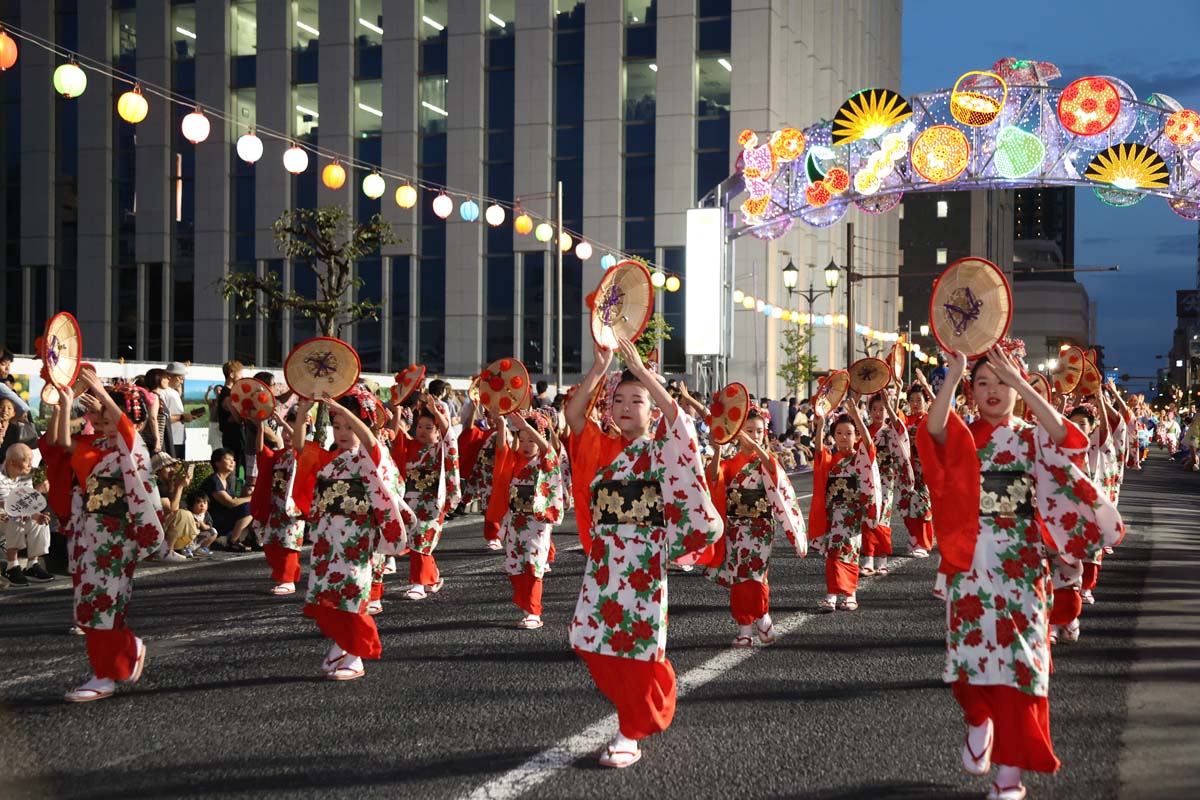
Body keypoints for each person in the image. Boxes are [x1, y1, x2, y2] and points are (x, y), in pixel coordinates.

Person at [919, 344, 1122, 800]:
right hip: (970, 562)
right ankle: (978, 719)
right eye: (982, 383)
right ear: (970, 392)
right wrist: (954, 374)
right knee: (968, 660)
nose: (992, 390)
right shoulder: (963, 434)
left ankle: (1009, 777)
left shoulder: (1032, 438)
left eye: (1001, 382)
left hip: (1022, 564)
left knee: (1023, 665)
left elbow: (1071, 440)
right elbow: (932, 431)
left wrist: (1022, 385)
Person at [565, 337, 722, 768]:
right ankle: (653, 693)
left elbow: (680, 425)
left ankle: (630, 732)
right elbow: (573, 416)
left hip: (643, 567)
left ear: (651, 411)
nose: (626, 406)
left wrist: (646, 376)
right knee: (588, 640)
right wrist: (601, 368)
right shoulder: (601, 447)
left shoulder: (660, 453)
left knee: (635, 647)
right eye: (619, 400)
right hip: (603, 565)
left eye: (637, 401)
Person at [41, 371, 165, 702]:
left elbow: (125, 429)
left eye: (109, 417)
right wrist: (65, 403)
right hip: (88, 533)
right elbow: (61, 444)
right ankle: (122, 655)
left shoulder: (132, 447)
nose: (104, 424)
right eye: (101, 418)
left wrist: (102, 392)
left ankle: (105, 675)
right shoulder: (97, 445)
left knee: (103, 603)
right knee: (88, 605)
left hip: (116, 536)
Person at [291, 386, 410, 681]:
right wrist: (304, 412)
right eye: (337, 426)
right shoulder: (331, 458)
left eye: (349, 426)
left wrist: (343, 410)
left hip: (358, 536)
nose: (343, 432)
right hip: (328, 536)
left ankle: (355, 655)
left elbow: (370, 440)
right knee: (326, 593)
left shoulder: (370, 455)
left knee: (353, 592)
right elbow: (300, 449)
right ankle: (341, 645)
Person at [706, 405, 806, 646]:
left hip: (760, 527)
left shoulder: (766, 461)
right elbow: (714, 478)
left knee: (756, 574)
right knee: (738, 576)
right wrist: (717, 450)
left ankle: (762, 615)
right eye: (749, 430)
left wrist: (759, 449)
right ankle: (744, 628)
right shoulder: (731, 463)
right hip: (735, 528)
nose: (754, 435)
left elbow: (774, 472)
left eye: (759, 431)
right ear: (738, 432)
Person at [485, 407, 564, 629]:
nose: (527, 445)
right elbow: (502, 449)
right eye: (522, 440)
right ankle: (526, 605)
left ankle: (533, 612)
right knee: (514, 565)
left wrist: (527, 427)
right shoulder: (514, 460)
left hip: (536, 521)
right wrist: (502, 424)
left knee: (533, 564)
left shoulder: (544, 461)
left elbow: (548, 450)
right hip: (516, 520)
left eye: (531, 440)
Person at [807, 395, 880, 612]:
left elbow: (869, 444)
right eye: (838, 433)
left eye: (848, 433)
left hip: (852, 513)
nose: (843, 438)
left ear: (855, 435)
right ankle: (831, 594)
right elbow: (818, 451)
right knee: (833, 554)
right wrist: (820, 425)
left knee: (850, 552)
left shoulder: (859, 457)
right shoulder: (832, 460)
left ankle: (850, 594)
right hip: (833, 513)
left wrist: (857, 417)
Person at [390, 390, 461, 600]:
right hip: (411, 500)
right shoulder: (410, 446)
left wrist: (437, 413)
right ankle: (432, 578)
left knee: (421, 540)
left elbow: (450, 437)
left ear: (438, 431)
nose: (422, 431)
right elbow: (395, 439)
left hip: (432, 502)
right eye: (419, 426)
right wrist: (396, 411)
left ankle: (418, 584)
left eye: (429, 427)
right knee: (416, 542)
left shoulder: (441, 449)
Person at [249, 409, 306, 595]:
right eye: (285, 431)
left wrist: (283, 423)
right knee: (271, 542)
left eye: (292, 430)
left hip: (293, 505)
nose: (287, 434)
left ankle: (288, 580)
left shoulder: (302, 452)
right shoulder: (279, 455)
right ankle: (285, 575)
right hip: (276, 504)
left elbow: (299, 443)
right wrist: (260, 428)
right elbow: (261, 452)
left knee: (289, 543)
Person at [862, 389, 912, 577]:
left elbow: (900, 430)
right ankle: (868, 559)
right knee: (868, 517)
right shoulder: (864, 430)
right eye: (874, 409)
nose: (877, 413)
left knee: (883, 517)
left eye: (881, 409)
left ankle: (881, 560)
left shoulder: (890, 430)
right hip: (867, 479)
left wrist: (891, 405)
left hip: (886, 479)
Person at [0, 443, 54, 585]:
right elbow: (9, 506)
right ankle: (12, 566)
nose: (31, 463)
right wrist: (38, 491)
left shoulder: (25, 475)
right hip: (4, 513)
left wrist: (38, 516)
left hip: (16, 510)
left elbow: (26, 504)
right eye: (26, 460)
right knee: (15, 519)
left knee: (40, 521)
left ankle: (32, 565)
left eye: (31, 459)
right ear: (12, 462)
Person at [900, 378, 935, 558]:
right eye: (912, 400)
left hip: (925, 468)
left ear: (926, 401)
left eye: (919, 400)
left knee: (923, 505)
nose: (915, 403)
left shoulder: (930, 419)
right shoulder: (906, 420)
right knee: (907, 504)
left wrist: (927, 386)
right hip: (908, 468)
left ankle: (922, 541)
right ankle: (913, 538)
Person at [202, 448, 253, 551]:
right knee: (249, 507)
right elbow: (230, 502)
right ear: (217, 463)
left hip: (224, 517)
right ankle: (233, 541)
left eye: (233, 460)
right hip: (211, 520)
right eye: (228, 459)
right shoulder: (214, 481)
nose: (232, 462)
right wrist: (251, 498)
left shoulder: (226, 481)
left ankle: (253, 538)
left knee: (253, 506)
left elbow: (235, 500)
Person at [152, 452, 194, 561]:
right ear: (158, 470)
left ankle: (177, 548)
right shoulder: (156, 485)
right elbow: (171, 509)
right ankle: (166, 551)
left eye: (172, 466)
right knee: (182, 515)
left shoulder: (169, 485)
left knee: (188, 515)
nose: (172, 470)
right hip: (153, 527)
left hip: (161, 526)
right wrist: (180, 487)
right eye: (167, 467)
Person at [161, 362, 197, 459]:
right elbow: (160, 418)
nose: (182, 382)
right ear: (170, 376)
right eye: (180, 378)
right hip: (169, 440)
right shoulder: (162, 392)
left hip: (179, 439)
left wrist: (186, 416)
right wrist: (181, 417)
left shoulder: (174, 392)